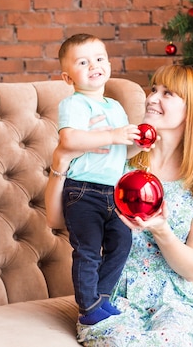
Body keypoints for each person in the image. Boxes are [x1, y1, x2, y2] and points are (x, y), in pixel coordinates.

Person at [45, 64, 193, 346]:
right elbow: (58, 220)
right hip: (112, 292)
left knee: (174, 339)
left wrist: (162, 230)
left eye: (167, 93)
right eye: (154, 89)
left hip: (173, 298)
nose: (152, 98)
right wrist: (61, 160)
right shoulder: (120, 159)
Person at [53, 33, 141, 325]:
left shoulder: (115, 107)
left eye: (99, 58)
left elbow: (123, 151)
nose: (94, 65)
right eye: (83, 62)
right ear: (68, 77)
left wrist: (138, 144)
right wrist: (114, 135)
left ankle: (100, 297)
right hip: (83, 191)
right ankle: (88, 308)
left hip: (114, 191)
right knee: (88, 249)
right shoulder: (74, 104)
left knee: (122, 240)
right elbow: (70, 139)